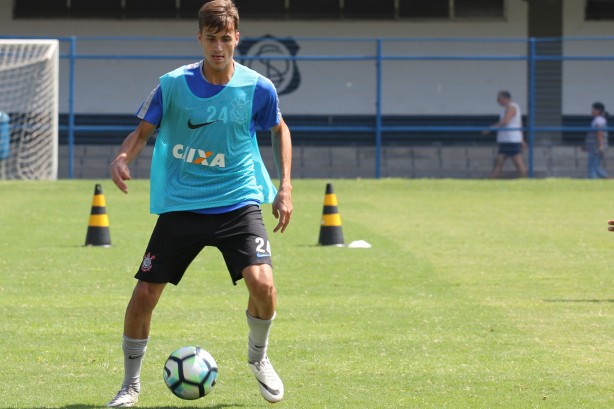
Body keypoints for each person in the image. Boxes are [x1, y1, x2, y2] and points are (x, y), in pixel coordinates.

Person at [106, 0, 293, 406]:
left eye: (226, 38)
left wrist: (285, 186)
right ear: (200, 38)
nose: (219, 47)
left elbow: (280, 130)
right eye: (211, 39)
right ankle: (130, 384)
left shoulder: (257, 87)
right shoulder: (172, 84)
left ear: (237, 38)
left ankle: (259, 359)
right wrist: (123, 157)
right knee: (144, 296)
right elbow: (142, 132)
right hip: (183, 202)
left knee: (263, 284)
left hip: (237, 200)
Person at [483, 91, 528, 178]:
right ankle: (491, 180)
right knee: (499, 161)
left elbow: (505, 121)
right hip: (505, 139)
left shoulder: (512, 107)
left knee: (517, 162)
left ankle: (525, 180)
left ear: (504, 98)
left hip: (511, 139)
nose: (498, 101)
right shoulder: (505, 109)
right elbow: (519, 124)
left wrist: (490, 129)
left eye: (499, 99)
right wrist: (522, 139)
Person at [584, 101, 609, 179]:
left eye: (593, 109)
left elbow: (599, 133)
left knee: (592, 166)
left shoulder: (599, 120)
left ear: (598, 111)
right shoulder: (597, 120)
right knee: (595, 165)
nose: (592, 111)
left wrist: (600, 146)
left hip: (596, 147)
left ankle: (594, 181)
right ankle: (607, 178)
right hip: (593, 147)